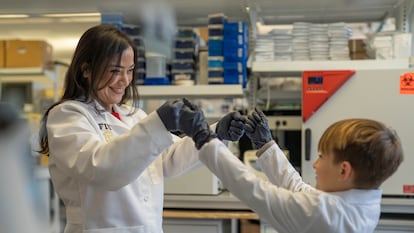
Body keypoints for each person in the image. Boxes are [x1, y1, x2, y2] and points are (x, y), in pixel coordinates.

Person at [38, 24, 245, 233]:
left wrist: (215, 133)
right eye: (115, 71)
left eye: (130, 70)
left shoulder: (133, 115)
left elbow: (168, 159)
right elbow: (101, 168)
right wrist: (157, 124)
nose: (126, 81)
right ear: (86, 70)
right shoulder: (68, 116)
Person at [178, 104, 404, 233]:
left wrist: (206, 140)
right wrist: (266, 145)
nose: (315, 164)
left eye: (322, 157)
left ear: (344, 171)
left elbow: (255, 191)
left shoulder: (328, 214)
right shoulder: (361, 205)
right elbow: (299, 189)